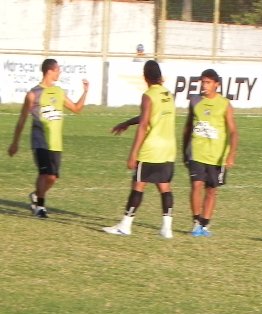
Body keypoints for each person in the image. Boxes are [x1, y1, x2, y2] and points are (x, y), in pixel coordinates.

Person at [7, 58, 89, 218]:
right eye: (58, 69)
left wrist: (85, 92)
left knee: (52, 177)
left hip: (56, 142)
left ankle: (36, 196)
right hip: (40, 140)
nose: (60, 72)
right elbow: (22, 119)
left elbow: (77, 109)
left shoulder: (59, 92)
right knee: (44, 174)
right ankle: (40, 208)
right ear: (49, 71)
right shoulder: (33, 94)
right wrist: (15, 142)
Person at [103, 60, 176, 238]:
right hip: (168, 148)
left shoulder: (148, 95)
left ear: (145, 77)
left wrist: (133, 153)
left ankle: (125, 225)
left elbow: (144, 125)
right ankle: (167, 228)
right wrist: (127, 122)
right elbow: (150, 115)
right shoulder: (168, 94)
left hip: (151, 148)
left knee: (138, 185)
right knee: (165, 187)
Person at [182, 68, 238, 237]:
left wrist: (231, 154)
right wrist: (184, 150)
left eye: (207, 82)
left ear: (216, 85)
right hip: (197, 153)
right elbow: (187, 127)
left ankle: (205, 224)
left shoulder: (225, 104)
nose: (204, 85)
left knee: (212, 190)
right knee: (196, 185)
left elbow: (233, 131)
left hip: (217, 156)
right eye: (202, 82)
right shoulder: (194, 101)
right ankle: (196, 222)